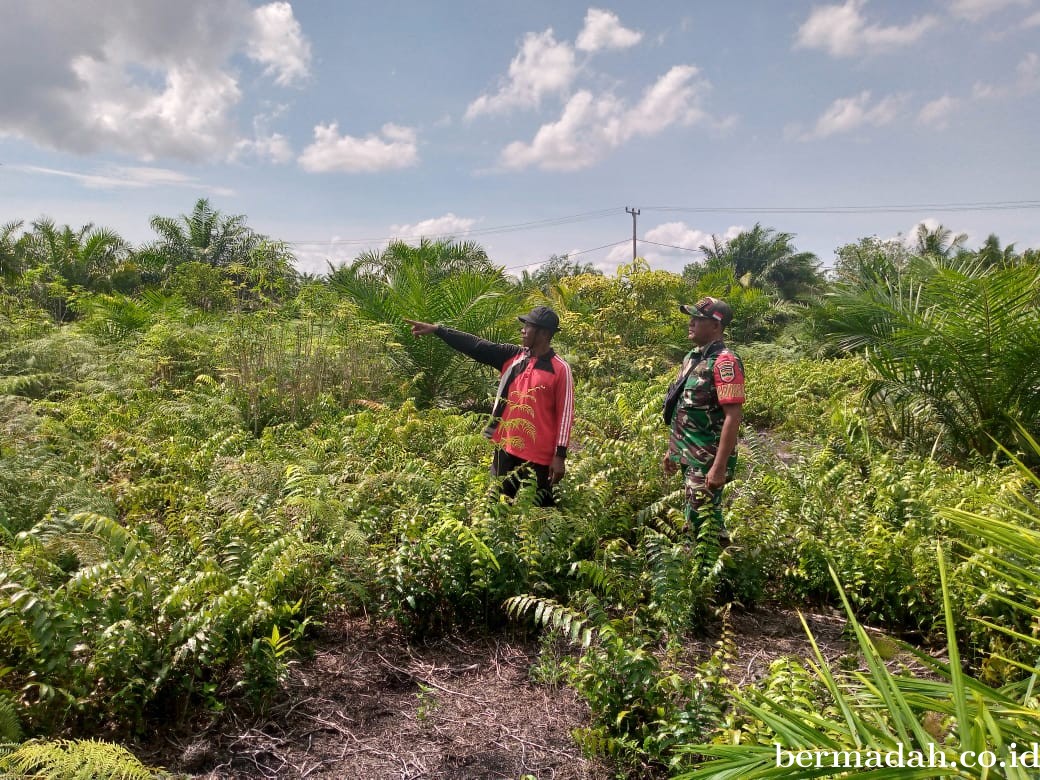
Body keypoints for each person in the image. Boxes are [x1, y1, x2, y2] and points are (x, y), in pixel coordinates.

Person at [405, 306, 574, 507]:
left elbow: (565, 413)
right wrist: (438, 330)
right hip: (506, 447)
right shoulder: (513, 357)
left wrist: (560, 456)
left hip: (539, 457)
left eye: (528, 326)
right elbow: (477, 346)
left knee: (540, 516)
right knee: (496, 508)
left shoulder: (560, 369)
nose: (523, 330)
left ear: (544, 333)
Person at [662, 296, 744, 571]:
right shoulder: (692, 357)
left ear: (716, 327)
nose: (691, 322)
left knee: (698, 519)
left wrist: (719, 467)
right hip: (688, 451)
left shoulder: (725, 362)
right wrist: (672, 450)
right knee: (706, 516)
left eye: (698, 318)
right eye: (691, 316)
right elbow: (681, 406)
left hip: (708, 457)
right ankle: (723, 570)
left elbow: (733, 415)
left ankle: (702, 578)